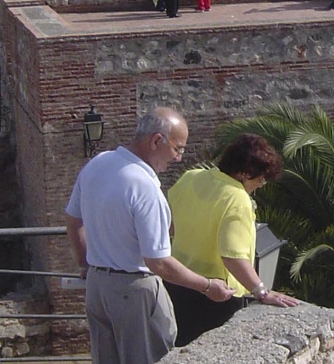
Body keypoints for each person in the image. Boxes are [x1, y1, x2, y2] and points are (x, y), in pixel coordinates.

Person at [65, 107, 235, 364]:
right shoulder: (144, 187)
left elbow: (73, 218)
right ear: (157, 140)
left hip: (98, 287)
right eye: (178, 149)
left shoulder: (98, 164)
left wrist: (85, 263)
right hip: (134, 291)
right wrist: (208, 286)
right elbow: (159, 262)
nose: (178, 159)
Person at [166, 133, 299, 346]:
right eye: (260, 179)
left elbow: (171, 227)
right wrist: (262, 292)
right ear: (244, 173)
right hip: (214, 295)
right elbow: (232, 257)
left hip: (176, 283)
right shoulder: (238, 199)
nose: (261, 185)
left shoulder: (191, 177)